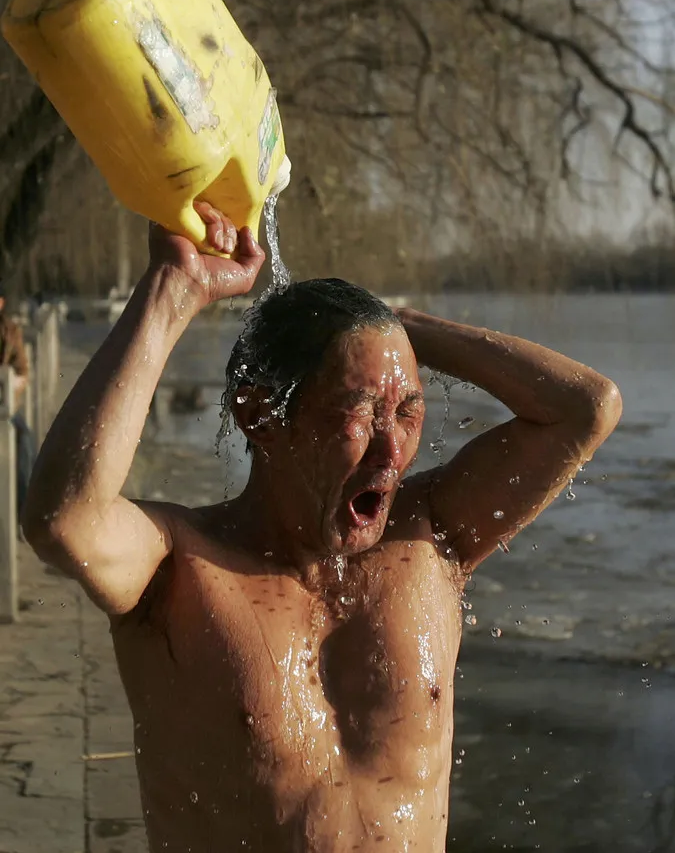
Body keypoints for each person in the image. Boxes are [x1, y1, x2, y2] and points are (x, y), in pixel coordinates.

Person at [21, 203, 622, 853]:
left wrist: (394, 326)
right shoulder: (177, 565)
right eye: (359, 412)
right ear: (258, 416)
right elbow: (65, 519)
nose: (392, 450)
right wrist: (173, 292)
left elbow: (583, 409)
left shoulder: (431, 537)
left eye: (409, 412)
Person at [0, 281, 35, 514]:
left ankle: (23, 510)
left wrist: (10, 387)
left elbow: (22, 370)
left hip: (4, 405)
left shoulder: (11, 331)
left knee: (25, 441)